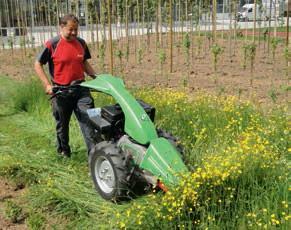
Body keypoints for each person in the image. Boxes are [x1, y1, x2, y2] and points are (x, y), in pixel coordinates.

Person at [34, 14, 98, 158]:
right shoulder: (52, 44)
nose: (74, 33)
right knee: (62, 126)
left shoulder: (81, 43)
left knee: (89, 123)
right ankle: (64, 152)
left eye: (76, 29)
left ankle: (94, 158)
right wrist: (47, 85)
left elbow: (84, 63)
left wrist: (97, 78)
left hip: (81, 89)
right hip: (61, 91)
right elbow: (38, 64)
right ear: (61, 27)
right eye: (71, 29)